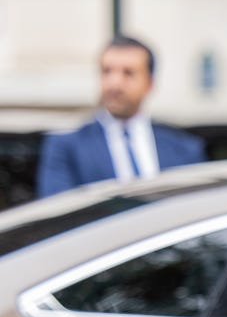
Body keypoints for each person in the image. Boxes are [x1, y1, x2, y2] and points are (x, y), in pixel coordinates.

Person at [35, 36, 206, 198]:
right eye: (107, 71)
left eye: (128, 73)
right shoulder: (68, 147)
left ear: (150, 83)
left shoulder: (184, 149)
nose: (115, 83)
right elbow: (60, 212)